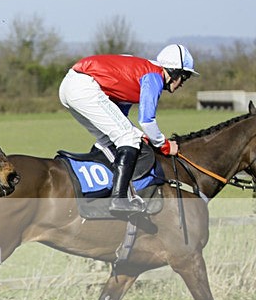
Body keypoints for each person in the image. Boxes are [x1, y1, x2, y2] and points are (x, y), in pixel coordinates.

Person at [58, 44, 199, 216]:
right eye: (184, 77)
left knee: (111, 139)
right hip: (84, 87)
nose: (182, 84)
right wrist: (165, 145)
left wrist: (141, 135)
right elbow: (147, 121)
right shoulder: (154, 77)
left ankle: (97, 189)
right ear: (174, 72)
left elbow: (120, 117)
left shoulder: (141, 73)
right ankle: (118, 200)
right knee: (128, 138)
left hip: (70, 86)